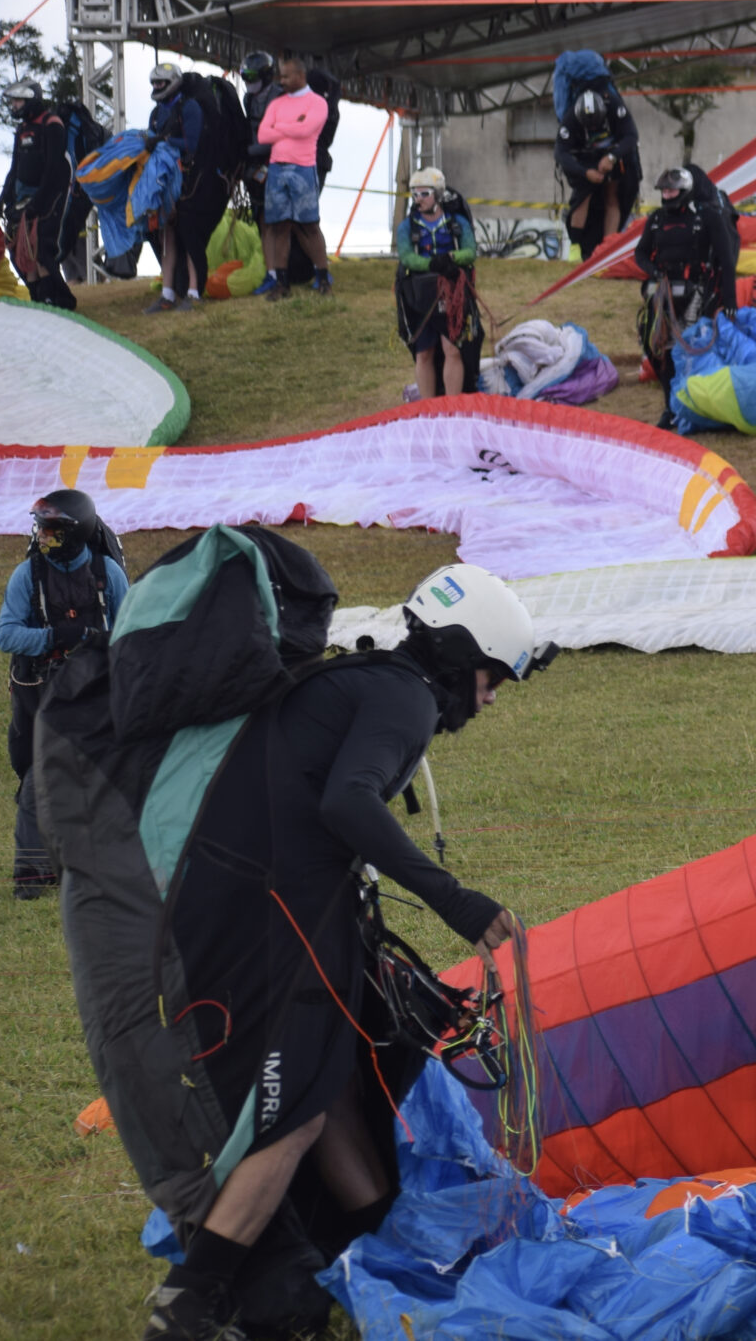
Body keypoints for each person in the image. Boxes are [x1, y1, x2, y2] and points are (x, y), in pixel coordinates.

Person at [136, 561, 544, 1341]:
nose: (489, 698)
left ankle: (376, 1248)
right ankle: (191, 1298)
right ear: (464, 655)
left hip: (253, 901)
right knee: (292, 1116)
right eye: (493, 678)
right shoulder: (405, 699)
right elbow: (348, 800)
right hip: (270, 916)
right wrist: (458, 902)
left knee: (336, 1091)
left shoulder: (371, 681)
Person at [0, 491, 128, 897]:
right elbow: (7, 633)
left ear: (76, 534)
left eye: (52, 530)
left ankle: (103, 866)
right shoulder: (27, 576)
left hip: (95, 689)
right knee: (37, 775)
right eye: (41, 529)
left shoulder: (108, 574)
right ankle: (37, 873)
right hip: (42, 692)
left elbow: (132, 630)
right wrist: (55, 636)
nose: (43, 537)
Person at [633, 166, 733, 426]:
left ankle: (695, 408)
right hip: (662, 297)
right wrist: (653, 272)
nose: (667, 195)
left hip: (697, 295)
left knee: (690, 351)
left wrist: (728, 300)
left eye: (672, 190)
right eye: (664, 191)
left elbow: (726, 259)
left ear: (685, 192)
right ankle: (671, 406)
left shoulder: (708, 217)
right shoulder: (655, 220)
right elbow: (641, 253)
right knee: (660, 351)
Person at [392, 168, 479, 399]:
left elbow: (470, 251)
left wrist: (451, 259)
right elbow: (407, 257)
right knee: (424, 353)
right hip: (420, 298)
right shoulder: (407, 228)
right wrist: (432, 265)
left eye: (424, 193)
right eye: (415, 194)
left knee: (452, 350)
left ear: (438, 195)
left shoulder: (457, 223)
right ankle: (428, 409)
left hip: (452, 294)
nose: (418, 199)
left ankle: (451, 407)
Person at [255, 57, 334, 301]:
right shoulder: (277, 104)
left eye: (287, 76)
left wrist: (280, 127)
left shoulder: (317, 103)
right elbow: (262, 135)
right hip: (277, 169)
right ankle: (282, 282)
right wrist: (292, 124)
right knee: (280, 226)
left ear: (301, 75)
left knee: (309, 225)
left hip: (303, 168)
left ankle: (322, 276)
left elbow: (306, 130)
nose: (283, 81)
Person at [0, 81, 78, 310]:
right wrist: (0, 205)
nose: (14, 105)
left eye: (18, 100)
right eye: (12, 101)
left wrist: (38, 204)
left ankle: (60, 301)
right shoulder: (23, 129)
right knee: (21, 252)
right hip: (24, 197)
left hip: (49, 197)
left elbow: (54, 168)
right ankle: (38, 301)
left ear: (31, 99)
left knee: (42, 251)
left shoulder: (52, 124)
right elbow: (14, 169)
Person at [142, 62, 212, 313]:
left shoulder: (189, 107)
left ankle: (193, 292)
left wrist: (164, 140)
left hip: (190, 181)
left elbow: (192, 144)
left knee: (190, 236)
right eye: (154, 84)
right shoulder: (157, 112)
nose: (157, 87)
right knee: (168, 236)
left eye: (161, 83)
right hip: (165, 181)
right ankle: (168, 294)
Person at [557, 83, 640, 262]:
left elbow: (631, 136)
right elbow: (561, 153)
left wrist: (612, 157)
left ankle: (608, 247)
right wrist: (584, 172)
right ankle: (575, 247)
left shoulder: (614, 106)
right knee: (582, 197)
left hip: (612, 155)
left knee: (612, 196)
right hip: (585, 159)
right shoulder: (571, 118)